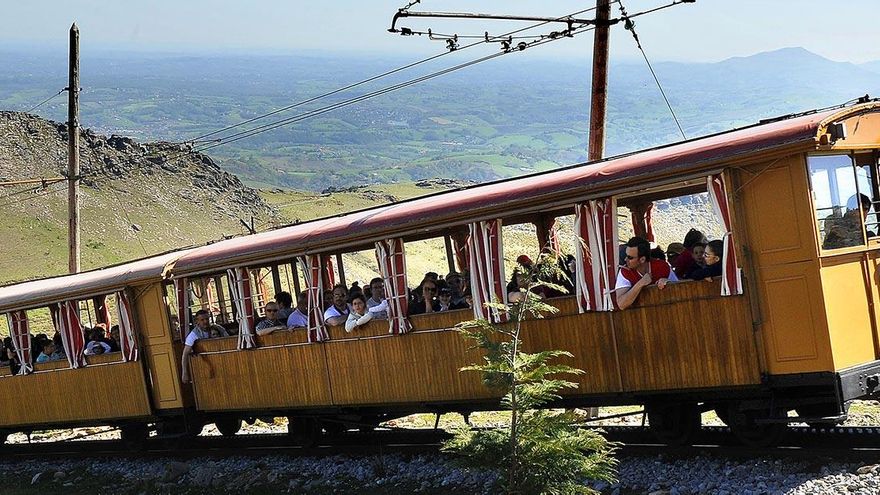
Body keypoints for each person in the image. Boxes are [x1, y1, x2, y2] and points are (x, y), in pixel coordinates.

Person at [616, 236, 678, 310]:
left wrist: (669, 283)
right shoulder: (624, 272)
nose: (625, 259)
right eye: (626, 255)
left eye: (630, 257)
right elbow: (621, 304)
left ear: (642, 259)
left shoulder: (662, 266)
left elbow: (680, 289)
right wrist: (640, 284)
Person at [180, 309, 223, 383]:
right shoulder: (193, 335)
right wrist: (184, 372)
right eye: (202, 320)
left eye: (207, 319)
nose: (205, 321)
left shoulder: (218, 328)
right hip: (205, 365)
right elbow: (185, 354)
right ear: (197, 321)